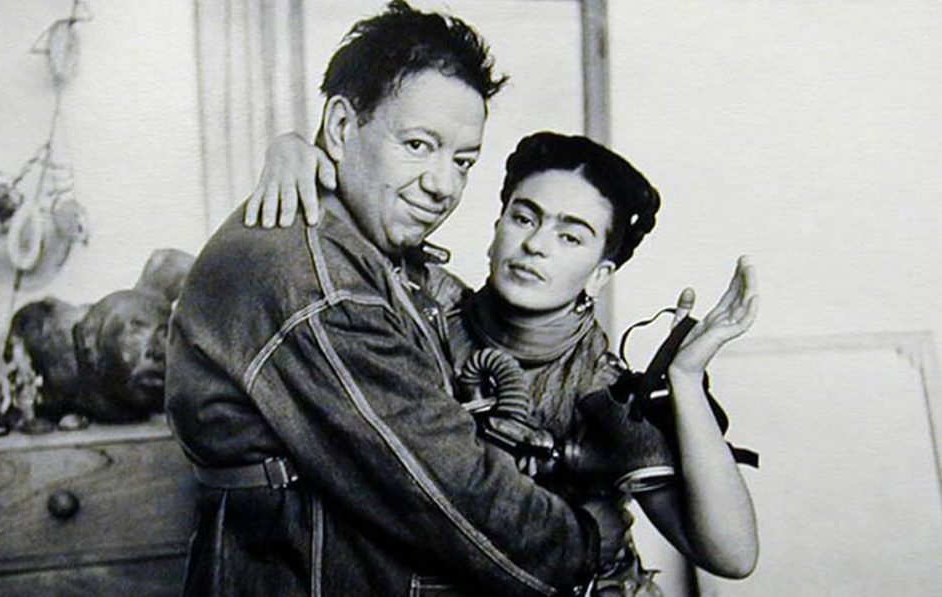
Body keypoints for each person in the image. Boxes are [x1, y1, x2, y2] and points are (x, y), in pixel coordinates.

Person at [166, 3, 608, 596]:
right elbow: (443, 484)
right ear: (341, 127)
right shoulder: (320, 282)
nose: (443, 185)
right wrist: (586, 542)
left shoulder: (359, 245)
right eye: (418, 145)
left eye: (463, 161)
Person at [246, 130, 759, 597]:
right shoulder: (421, 306)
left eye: (570, 236)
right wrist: (296, 153)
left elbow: (732, 555)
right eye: (524, 217)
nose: (535, 245)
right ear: (496, 229)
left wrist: (685, 378)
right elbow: (337, 240)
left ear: (599, 275)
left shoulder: (599, 390)